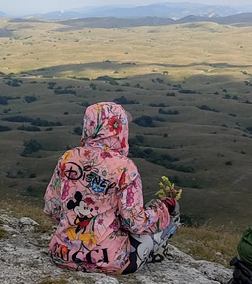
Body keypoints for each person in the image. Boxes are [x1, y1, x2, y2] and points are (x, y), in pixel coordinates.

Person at [44, 101, 177, 274]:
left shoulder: (67, 158)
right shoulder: (125, 168)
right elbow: (134, 223)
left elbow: (51, 208)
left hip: (62, 254)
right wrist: (162, 211)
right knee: (160, 227)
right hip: (109, 261)